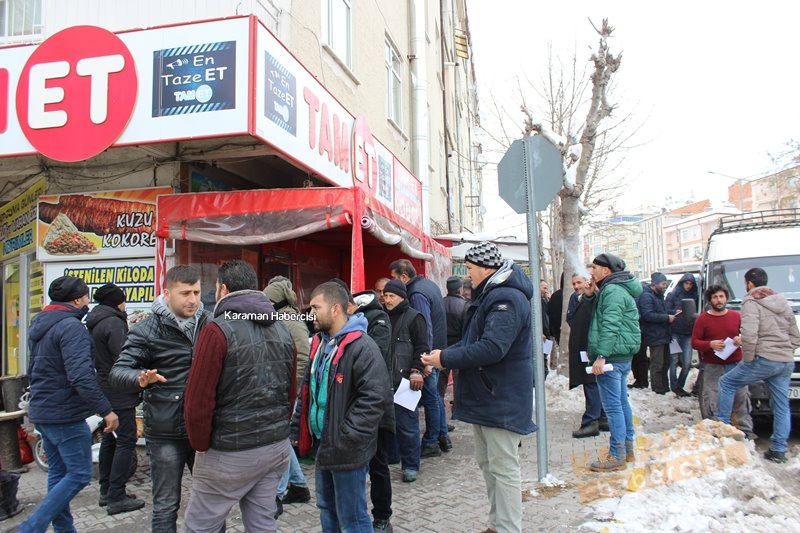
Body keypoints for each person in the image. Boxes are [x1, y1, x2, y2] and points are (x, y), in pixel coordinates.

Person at [422, 241, 536, 533]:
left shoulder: (506, 299)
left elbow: (492, 348)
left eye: (470, 269)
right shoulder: (489, 296)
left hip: (501, 397)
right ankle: (497, 524)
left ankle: (508, 528)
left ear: (486, 268)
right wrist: (441, 358)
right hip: (489, 396)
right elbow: (472, 342)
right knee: (489, 465)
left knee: (504, 468)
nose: (467, 275)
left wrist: (445, 357)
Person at [182, 260, 295, 532]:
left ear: (222, 289)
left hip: (228, 451)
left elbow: (198, 401)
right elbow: (290, 393)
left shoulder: (216, 330)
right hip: (275, 446)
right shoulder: (283, 329)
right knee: (262, 524)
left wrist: (200, 445)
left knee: (199, 526)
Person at [110, 265, 210, 533]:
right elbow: (118, 372)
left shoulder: (209, 323)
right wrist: (140, 377)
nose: (192, 299)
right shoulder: (147, 330)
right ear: (167, 293)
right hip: (166, 432)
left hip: (204, 429)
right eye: (185, 293)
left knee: (211, 504)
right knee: (166, 504)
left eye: (197, 292)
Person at [19, 276, 119, 533]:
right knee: (79, 474)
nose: (88, 301)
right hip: (65, 413)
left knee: (59, 473)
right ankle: (31, 527)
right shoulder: (71, 327)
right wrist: (105, 409)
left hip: (44, 410)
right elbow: (80, 375)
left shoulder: (40, 323)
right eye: (86, 297)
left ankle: (64, 529)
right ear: (77, 300)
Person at [291, 282, 392, 532]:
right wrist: (297, 429)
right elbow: (307, 391)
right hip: (323, 444)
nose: (310, 313)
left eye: (315, 307)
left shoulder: (362, 346)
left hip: (347, 449)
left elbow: (375, 397)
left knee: (352, 517)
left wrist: (347, 435)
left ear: (335, 308)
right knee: (327, 508)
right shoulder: (320, 344)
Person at [715, 268, 800, 463]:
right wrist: (785, 350)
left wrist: (748, 359)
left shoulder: (751, 302)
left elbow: (750, 334)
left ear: (749, 283)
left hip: (763, 359)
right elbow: (795, 336)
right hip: (785, 361)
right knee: (781, 406)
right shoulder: (782, 301)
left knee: (727, 382)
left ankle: (722, 431)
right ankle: (778, 450)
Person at [87, 283, 144, 515]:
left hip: (105, 386)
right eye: (123, 299)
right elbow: (124, 357)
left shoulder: (96, 321)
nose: (125, 304)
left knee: (110, 439)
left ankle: (106, 490)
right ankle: (116, 496)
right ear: (116, 301)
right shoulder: (113, 322)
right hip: (118, 389)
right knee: (126, 440)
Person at [586, 253, 642, 472]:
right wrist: (590, 296)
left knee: (613, 408)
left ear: (606, 271)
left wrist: (601, 356)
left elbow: (610, 325)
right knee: (621, 403)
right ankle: (627, 449)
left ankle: (616, 454)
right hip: (622, 355)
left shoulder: (612, 291)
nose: (591, 272)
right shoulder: (616, 289)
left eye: (595, 268)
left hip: (612, 358)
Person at [389, 259, 450, 456]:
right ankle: (441, 437)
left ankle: (432, 442)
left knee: (430, 398)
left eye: (395, 278)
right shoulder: (429, 284)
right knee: (434, 398)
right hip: (436, 351)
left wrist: (424, 361)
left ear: (404, 277)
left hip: (427, 357)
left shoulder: (415, 293)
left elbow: (424, 330)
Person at [263, 276, 312, 516]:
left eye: (270, 300)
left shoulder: (291, 320)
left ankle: (278, 494)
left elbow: (303, 356)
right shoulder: (281, 317)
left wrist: (290, 386)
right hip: (281, 388)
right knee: (280, 439)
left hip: (287, 391)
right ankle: (300, 486)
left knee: (279, 441)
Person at [351, 287, 395, 532]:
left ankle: (382, 517)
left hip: (374, 404)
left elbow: (372, 356)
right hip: (351, 404)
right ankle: (359, 516)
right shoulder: (348, 320)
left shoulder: (378, 319)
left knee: (378, 465)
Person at [690, 284, 754, 437]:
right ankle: (717, 430)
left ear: (726, 298)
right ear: (710, 301)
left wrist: (741, 339)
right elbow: (694, 342)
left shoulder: (736, 316)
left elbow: (748, 336)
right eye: (715, 297)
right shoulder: (703, 319)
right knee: (713, 397)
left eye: (721, 297)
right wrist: (709, 344)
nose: (719, 300)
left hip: (736, 364)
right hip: (713, 365)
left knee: (741, 396)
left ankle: (744, 431)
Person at [382, 279, 428, 484]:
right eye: (385, 296)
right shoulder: (382, 317)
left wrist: (416, 371)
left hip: (405, 382)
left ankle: (410, 465)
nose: (387, 299)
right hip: (383, 380)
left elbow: (422, 347)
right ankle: (391, 457)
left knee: (407, 426)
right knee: (385, 424)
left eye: (392, 296)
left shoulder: (414, 317)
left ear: (402, 296)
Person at [568, 275, 608, 438]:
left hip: (590, 347)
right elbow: (570, 318)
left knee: (591, 382)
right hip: (583, 346)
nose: (576, 286)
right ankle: (602, 417)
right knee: (592, 382)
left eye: (579, 282)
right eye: (574, 284)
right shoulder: (575, 298)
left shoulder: (595, 297)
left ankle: (592, 420)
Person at [637, 272, 677, 395]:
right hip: (654, 334)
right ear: (655, 283)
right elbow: (647, 315)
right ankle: (658, 389)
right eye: (663, 283)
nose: (665, 286)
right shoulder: (646, 296)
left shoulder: (658, 295)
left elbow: (660, 311)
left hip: (663, 334)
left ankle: (664, 387)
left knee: (666, 362)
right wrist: (666, 318)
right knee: (657, 363)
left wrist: (673, 312)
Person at [440, 275, 467, 427]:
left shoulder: (441, 303)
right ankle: (457, 410)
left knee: (441, 381)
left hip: (442, 346)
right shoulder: (463, 305)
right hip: (458, 346)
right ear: (459, 289)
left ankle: (440, 410)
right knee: (458, 379)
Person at [666, 273, 699, 396]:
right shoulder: (673, 295)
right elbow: (665, 309)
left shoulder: (695, 295)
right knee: (674, 360)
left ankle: (679, 385)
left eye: (690, 284)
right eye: (686, 283)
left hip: (688, 333)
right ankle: (674, 386)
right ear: (682, 283)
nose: (688, 286)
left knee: (686, 363)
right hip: (674, 333)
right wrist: (675, 312)